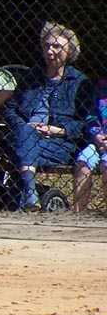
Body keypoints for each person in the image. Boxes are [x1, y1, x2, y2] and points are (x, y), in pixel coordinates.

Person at [3, 22, 92, 212]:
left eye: (57, 46)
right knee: (24, 134)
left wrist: (59, 130)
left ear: (69, 51)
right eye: (47, 45)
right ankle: (30, 192)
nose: (50, 51)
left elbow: (86, 121)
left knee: (21, 148)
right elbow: (10, 110)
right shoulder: (30, 77)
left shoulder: (79, 82)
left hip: (57, 143)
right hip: (25, 136)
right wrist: (25, 126)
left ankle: (28, 193)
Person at [73, 76, 107, 214]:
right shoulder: (102, 86)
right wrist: (97, 135)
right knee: (83, 160)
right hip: (100, 141)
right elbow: (92, 117)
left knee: (106, 164)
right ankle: (78, 214)